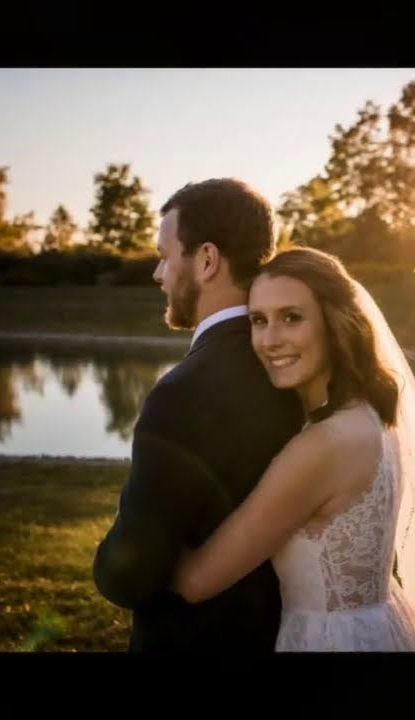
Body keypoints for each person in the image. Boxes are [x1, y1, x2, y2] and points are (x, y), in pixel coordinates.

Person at [168, 246, 415, 651]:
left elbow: (196, 582)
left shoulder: (321, 447)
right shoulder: (370, 416)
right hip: (379, 626)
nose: (269, 341)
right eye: (259, 320)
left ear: (334, 324)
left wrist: (145, 523)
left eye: (291, 318)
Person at [91, 178, 305, 652]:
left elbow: (129, 575)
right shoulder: (300, 371)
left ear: (207, 260)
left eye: (165, 256)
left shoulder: (182, 393)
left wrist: (107, 561)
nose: (158, 274)